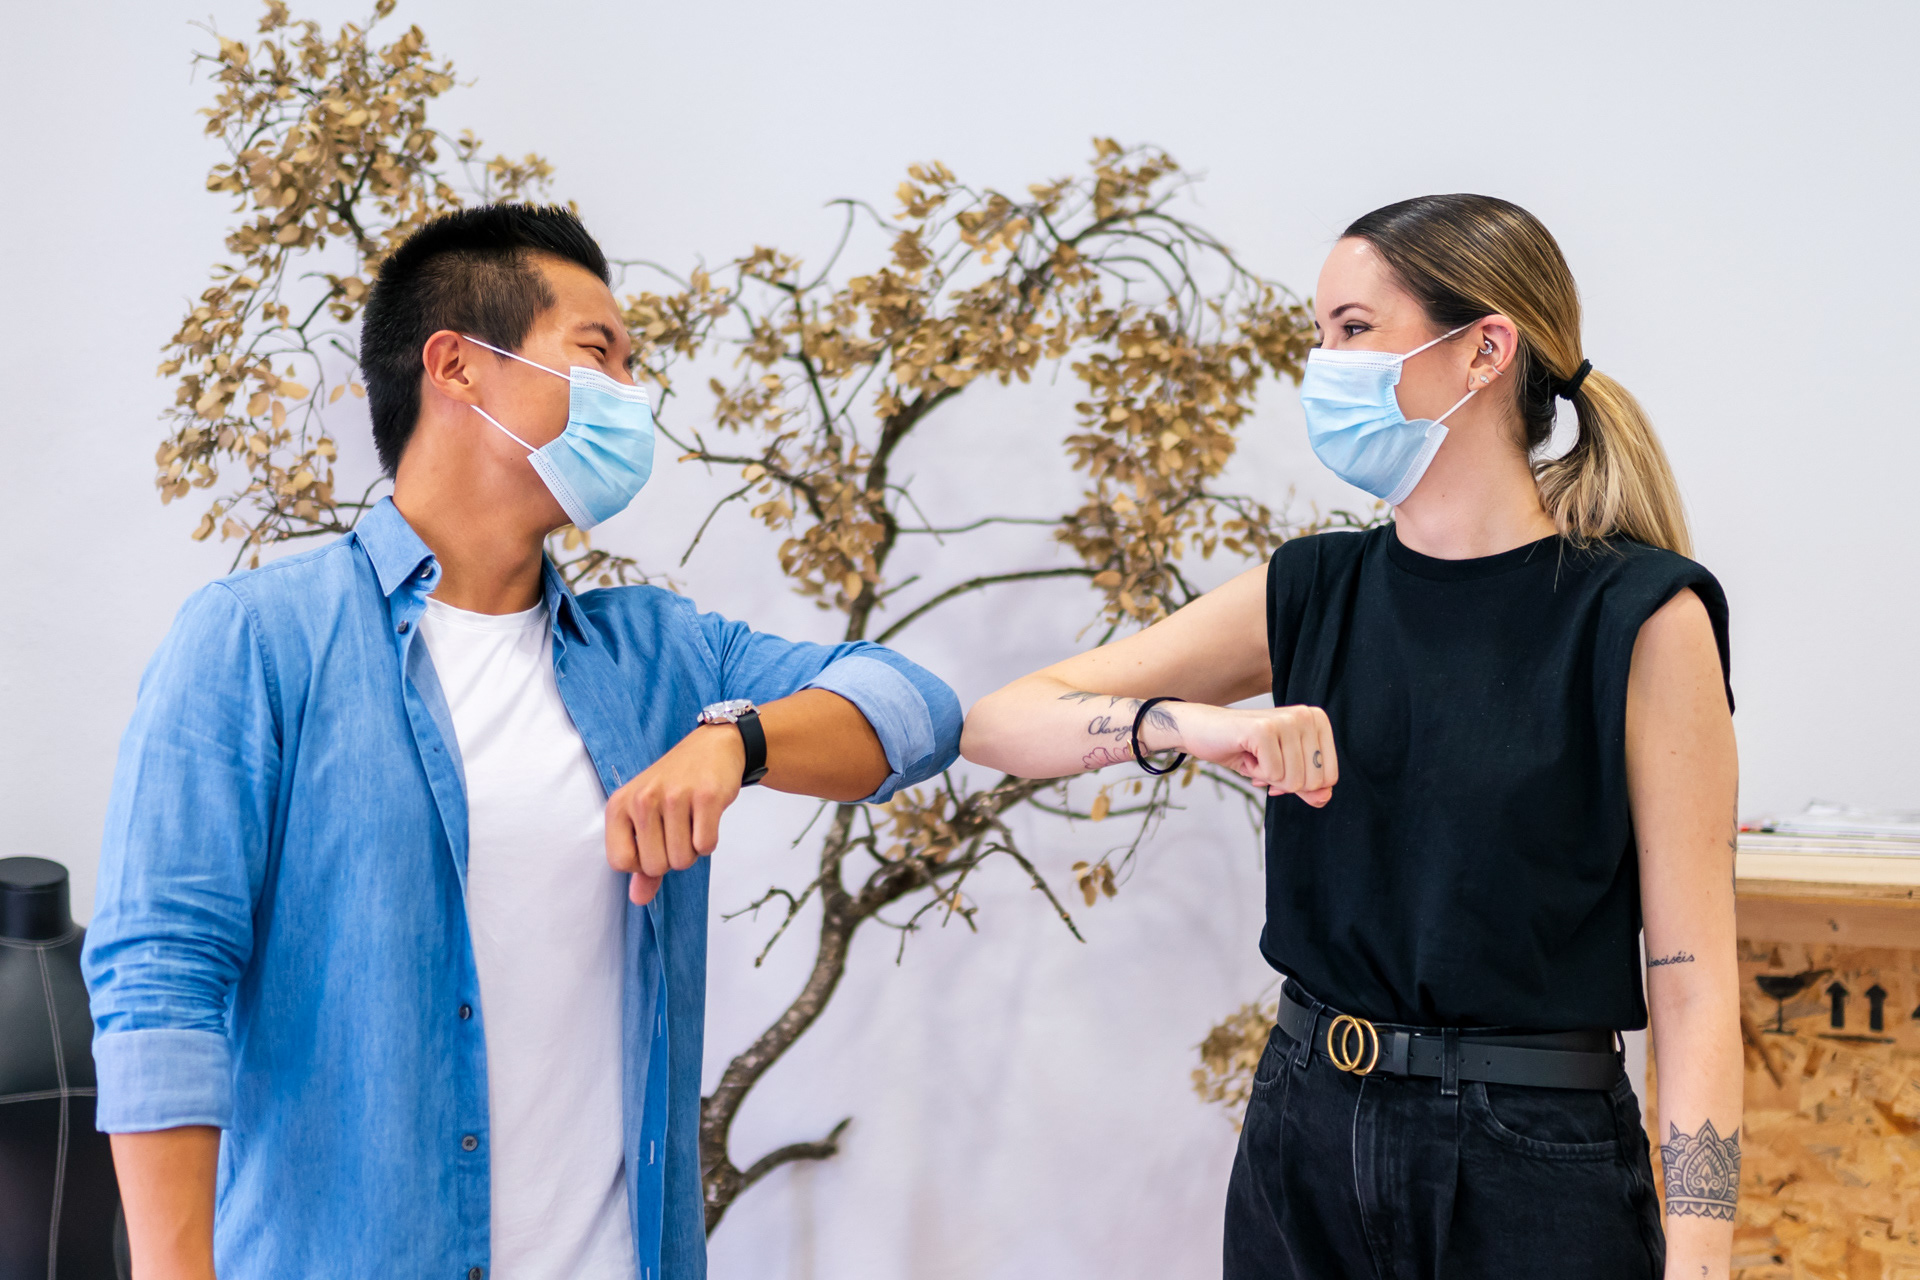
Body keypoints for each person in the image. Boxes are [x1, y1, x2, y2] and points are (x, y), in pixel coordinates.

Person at [83, 203, 961, 1280]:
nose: (631, 395)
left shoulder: (658, 655)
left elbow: (917, 707)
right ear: (457, 366)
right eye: (599, 354)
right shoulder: (258, 641)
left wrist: (737, 739)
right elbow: (160, 979)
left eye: (633, 366)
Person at [962, 194, 1740, 1279]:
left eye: (1354, 329)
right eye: (1320, 333)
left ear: (1485, 350)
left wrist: (1700, 1258)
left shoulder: (1642, 617)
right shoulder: (1311, 589)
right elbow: (998, 723)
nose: (1322, 366)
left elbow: (1694, 983)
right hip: (1305, 1129)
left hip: (1532, 1163)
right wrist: (1192, 725)